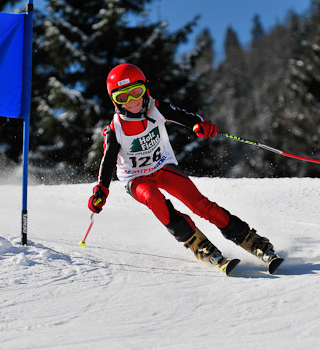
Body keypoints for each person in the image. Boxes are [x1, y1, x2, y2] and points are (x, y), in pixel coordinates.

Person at [88, 63, 281, 274]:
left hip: (163, 167)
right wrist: (101, 190)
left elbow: (187, 117)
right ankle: (200, 245)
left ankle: (251, 240)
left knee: (200, 205)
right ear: (115, 101)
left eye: (136, 92)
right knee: (154, 199)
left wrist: (200, 125)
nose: (133, 101)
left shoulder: (157, 108)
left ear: (145, 89)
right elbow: (107, 163)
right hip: (136, 178)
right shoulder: (115, 130)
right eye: (123, 97)